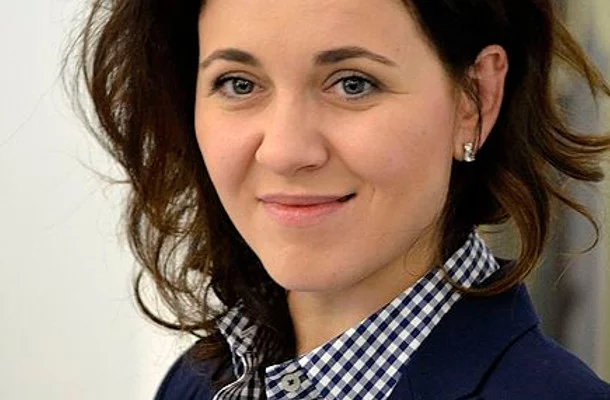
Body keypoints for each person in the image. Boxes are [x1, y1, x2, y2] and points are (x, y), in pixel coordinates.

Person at [70, 0, 610, 398]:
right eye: (238, 84)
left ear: (475, 99)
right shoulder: (197, 384)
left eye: (353, 83)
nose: (285, 152)